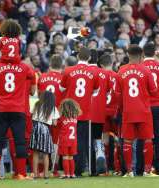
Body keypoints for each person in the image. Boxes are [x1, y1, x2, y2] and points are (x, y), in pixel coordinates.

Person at [0, 20, 35, 180]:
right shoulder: (24, 68)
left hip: (1, 108)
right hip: (17, 108)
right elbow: (33, 79)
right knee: (20, 141)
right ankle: (21, 173)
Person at [115, 45, 158, 177]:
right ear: (141, 56)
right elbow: (154, 90)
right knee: (148, 140)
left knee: (127, 141)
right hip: (144, 111)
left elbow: (117, 93)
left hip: (128, 111)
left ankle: (129, 171)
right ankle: (147, 171)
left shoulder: (121, 71)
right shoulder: (146, 70)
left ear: (128, 55)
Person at [60, 47, 99, 177]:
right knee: (85, 141)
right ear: (89, 58)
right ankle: (88, 169)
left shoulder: (68, 70)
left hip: (70, 112)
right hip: (85, 112)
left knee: (71, 140)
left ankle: (75, 170)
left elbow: (61, 88)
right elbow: (96, 91)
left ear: (77, 57)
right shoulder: (93, 73)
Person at [137, 42, 159, 175]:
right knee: (158, 138)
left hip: (143, 107)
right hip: (157, 106)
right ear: (155, 52)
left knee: (141, 137)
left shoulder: (140, 67)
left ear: (143, 53)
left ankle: (140, 168)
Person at [37, 54, 63, 176]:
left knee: (43, 141)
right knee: (55, 142)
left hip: (43, 113)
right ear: (61, 65)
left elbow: (38, 95)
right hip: (58, 114)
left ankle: (42, 170)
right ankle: (55, 169)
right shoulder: (63, 79)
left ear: (50, 64)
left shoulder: (42, 77)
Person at [88, 50, 111, 175]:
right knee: (97, 139)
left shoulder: (84, 73)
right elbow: (107, 93)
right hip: (99, 113)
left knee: (86, 141)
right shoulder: (104, 73)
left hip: (86, 113)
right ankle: (100, 156)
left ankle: (90, 168)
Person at [29, 91, 60, 179]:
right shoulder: (52, 108)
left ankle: (35, 174)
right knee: (46, 153)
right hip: (45, 129)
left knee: (35, 153)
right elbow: (55, 123)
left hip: (35, 128)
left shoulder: (36, 105)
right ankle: (46, 174)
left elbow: (31, 116)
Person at [99, 54, 119, 174]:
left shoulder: (100, 76)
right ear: (112, 63)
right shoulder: (117, 76)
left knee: (104, 139)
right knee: (119, 139)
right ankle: (118, 168)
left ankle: (104, 169)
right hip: (115, 111)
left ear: (101, 65)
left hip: (103, 111)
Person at [58, 99, 81, 179]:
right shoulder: (75, 118)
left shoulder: (62, 118)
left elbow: (56, 125)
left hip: (65, 140)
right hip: (73, 141)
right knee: (71, 157)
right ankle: (72, 174)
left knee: (65, 157)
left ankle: (66, 174)